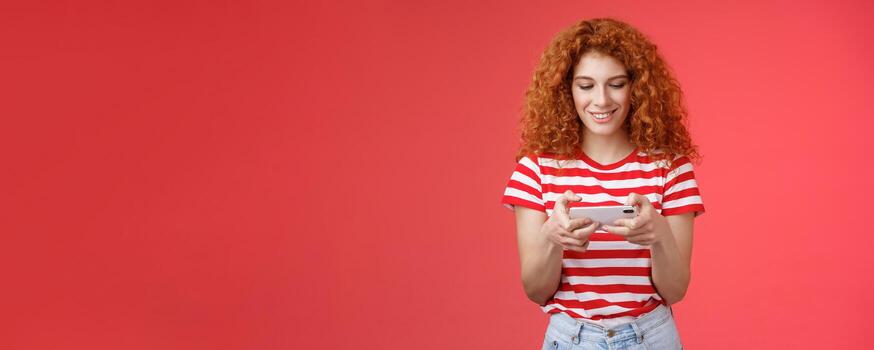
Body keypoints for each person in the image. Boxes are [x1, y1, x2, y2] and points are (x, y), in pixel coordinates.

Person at [500, 18, 705, 350]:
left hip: (652, 337)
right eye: (585, 85)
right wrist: (552, 237)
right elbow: (535, 290)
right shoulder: (536, 168)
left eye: (616, 84)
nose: (601, 100)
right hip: (568, 339)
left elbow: (675, 291)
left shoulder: (670, 167)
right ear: (566, 89)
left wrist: (660, 235)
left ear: (636, 87)